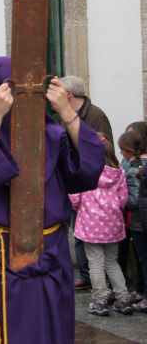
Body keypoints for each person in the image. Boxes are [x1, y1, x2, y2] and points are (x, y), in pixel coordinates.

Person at [0, 57, 104, 344]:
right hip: (3, 252)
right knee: (15, 332)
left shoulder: (51, 133)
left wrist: (67, 112)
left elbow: (88, 172)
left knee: (56, 327)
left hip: (53, 249)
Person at [70, 134, 132, 316]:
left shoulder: (86, 171)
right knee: (112, 262)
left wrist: (80, 208)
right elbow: (123, 200)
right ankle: (123, 298)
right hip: (113, 225)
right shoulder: (119, 171)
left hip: (91, 225)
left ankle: (100, 300)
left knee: (95, 264)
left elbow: (75, 197)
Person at [118, 129, 147, 310]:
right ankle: (140, 290)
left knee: (143, 259)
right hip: (141, 220)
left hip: (139, 221)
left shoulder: (135, 168)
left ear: (129, 150)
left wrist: (121, 199)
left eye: (122, 150)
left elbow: (136, 199)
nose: (121, 153)